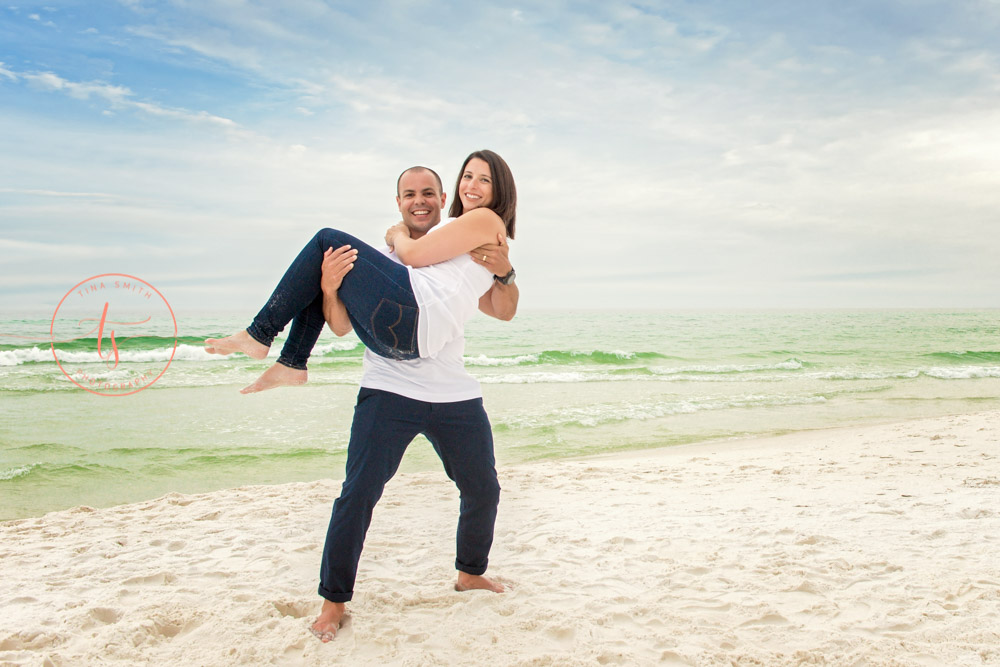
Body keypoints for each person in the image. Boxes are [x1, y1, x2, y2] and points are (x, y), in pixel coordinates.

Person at [308, 152, 518, 642]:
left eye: (429, 194)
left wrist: (506, 272)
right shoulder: (379, 261)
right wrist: (331, 288)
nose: (420, 203)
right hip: (389, 389)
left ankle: (469, 572)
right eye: (410, 195)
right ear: (399, 202)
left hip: (454, 394)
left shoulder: (466, 250)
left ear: (443, 201)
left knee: (483, 489)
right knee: (357, 496)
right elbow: (340, 326)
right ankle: (333, 602)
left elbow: (503, 311)